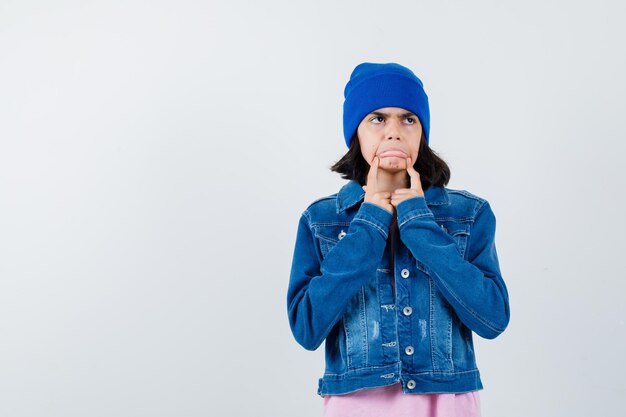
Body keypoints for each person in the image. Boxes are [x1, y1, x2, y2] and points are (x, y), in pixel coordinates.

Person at [286, 62, 510, 417]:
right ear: (355, 133)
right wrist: (371, 218)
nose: (394, 132)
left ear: (422, 133)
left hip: (447, 402)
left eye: (409, 119)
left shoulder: (470, 214)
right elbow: (307, 327)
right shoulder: (321, 220)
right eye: (377, 118)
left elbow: (492, 319)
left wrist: (418, 221)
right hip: (356, 403)